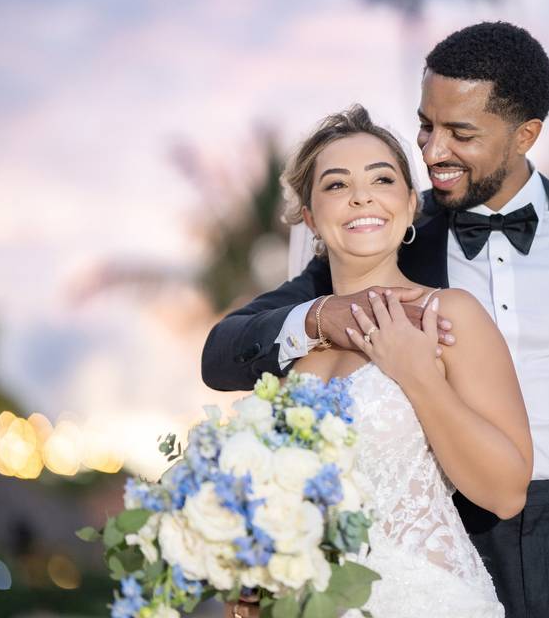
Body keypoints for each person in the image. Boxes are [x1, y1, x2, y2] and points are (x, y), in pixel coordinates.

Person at [206, 22, 549, 618]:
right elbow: (225, 352)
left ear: (524, 135)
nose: (431, 151)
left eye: (460, 133)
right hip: (456, 535)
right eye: (426, 126)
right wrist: (322, 314)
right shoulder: (388, 228)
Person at [224, 105, 531, 618]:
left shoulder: (448, 315)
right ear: (310, 216)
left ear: (410, 206)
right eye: (336, 184)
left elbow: (507, 493)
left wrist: (417, 374)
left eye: (382, 179)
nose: (361, 196)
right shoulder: (298, 348)